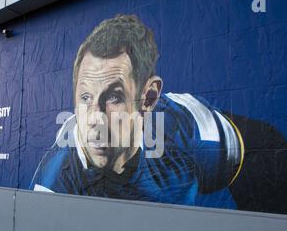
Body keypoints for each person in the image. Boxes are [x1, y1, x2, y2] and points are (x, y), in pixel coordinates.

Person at [29, 14, 244, 208]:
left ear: (148, 98)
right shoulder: (55, 180)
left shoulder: (192, 132)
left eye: (114, 97)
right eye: (85, 97)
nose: (95, 117)